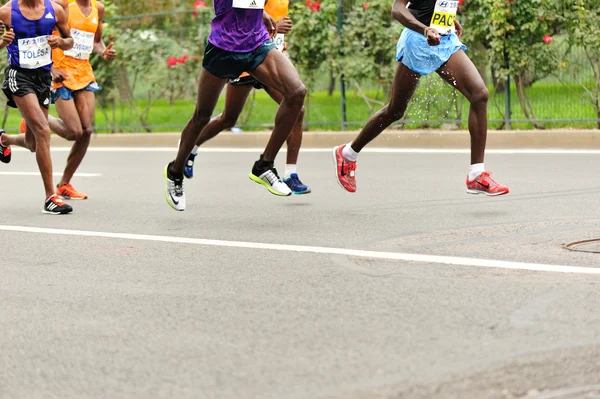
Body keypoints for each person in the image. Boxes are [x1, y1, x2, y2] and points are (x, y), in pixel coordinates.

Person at [333, 0, 509, 197]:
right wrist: (425, 29)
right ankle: (348, 153)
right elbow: (397, 9)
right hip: (419, 41)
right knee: (395, 111)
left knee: (479, 94)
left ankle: (476, 174)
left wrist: (448, 19)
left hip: (444, 38)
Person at [164, 0, 307, 211]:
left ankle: (264, 165)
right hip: (224, 48)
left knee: (297, 94)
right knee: (202, 116)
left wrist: (261, 15)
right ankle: (175, 172)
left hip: (258, 44)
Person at [19, 0, 116, 200]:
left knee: (87, 131)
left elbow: (96, 41)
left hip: (84, 73)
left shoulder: (98, 8)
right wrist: (51, 69)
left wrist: (103, 51)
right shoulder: (62, 5)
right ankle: (39, 119)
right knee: (74, 132)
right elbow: (43, 37)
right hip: (61, 72)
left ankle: (64, 184)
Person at [0, 0, 75, 214]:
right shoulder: (6, 12)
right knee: (43, 131)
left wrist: (60, 42)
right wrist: (2, 42)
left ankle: (4, 140)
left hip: (43, 78)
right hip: (19, 76)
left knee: (34, 143)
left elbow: (70, 41)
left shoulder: (56, 10)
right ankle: (51, 197)